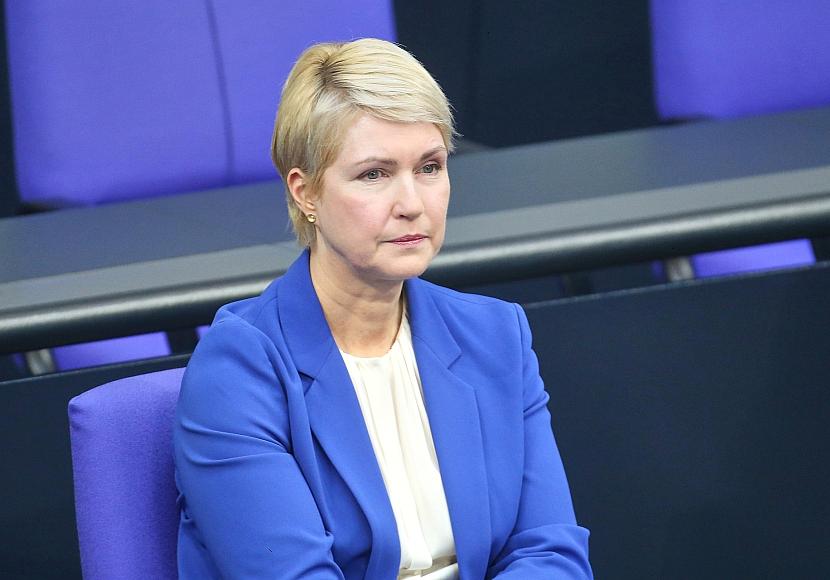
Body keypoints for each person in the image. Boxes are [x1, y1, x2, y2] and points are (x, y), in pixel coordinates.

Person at [173, 38, 592, 579]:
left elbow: (549, 552)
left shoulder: (495, 334)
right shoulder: (238, 371)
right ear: (305, 192)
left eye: (430, 167)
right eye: (374, 174)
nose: (412, 204)